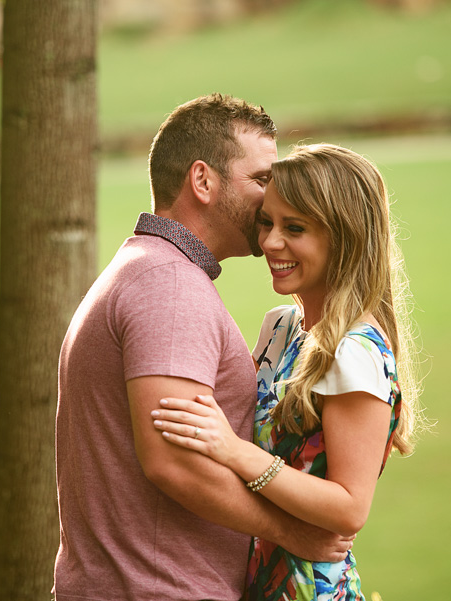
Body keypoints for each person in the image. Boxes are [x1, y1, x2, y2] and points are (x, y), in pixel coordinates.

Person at [54, 96, 352, 601]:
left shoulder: (151, 271)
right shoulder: (169, 286)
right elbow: (175, 462)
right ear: (203, 181)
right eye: (261, 179)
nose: (274, 197)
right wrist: (291, 533)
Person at [150, 143, 421, 601]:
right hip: (256, 582)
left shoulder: (353, 352)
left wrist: (236, 453)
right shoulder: (281, 326)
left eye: (294, 228)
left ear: (345, 237)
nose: (270, 242)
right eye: (266, 222)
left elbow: (350, 508)